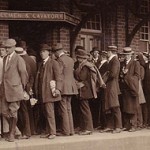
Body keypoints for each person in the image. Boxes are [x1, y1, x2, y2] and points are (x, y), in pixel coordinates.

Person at [1, 39, 28, 142]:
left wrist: (22, 88)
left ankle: (12, 133)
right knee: (4, 112)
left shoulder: (19, 59)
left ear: (13, 48)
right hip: (5, 90)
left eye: (8, 47)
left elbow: (23, 74)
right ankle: (16, 130)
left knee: (13, 112)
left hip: (15, 90)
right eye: (5, 47)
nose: (6, 49)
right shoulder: (5, 59)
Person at [74, 48, 105, 135]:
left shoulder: (84, 66)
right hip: (86, 90)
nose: (77, 59)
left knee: (85, 110)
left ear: (82, 58)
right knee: (84, 109)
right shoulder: (86, 65)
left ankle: (88, 128)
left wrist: (74, 72)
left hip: (85, 90)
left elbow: (81, 77)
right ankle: (85, 128)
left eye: (78, 58)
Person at [34, 44, 62, 139]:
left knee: (50, 112)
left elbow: (58, 77)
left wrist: (58, 89)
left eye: (44, 52)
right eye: (41, 52)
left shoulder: (53, 63)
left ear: (48, 53)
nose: (42, 53)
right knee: (45, 112)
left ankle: (53, 132)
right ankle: (48, 131)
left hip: (49, 91)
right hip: (42, 92)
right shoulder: (41, 64)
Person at [52, 43, 78, 136]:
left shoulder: (59, 60)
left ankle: (66, 131)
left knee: (63, 109)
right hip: (71, 87)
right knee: (68, 109)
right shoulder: (70, 59)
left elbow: (59, 74)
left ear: (57, 52)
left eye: (54, 52)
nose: (54, 54)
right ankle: (71, 130)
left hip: (63, 87)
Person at [15, 47, 37, 139]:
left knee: (23, 111)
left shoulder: (21, 62)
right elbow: (31, 76)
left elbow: (24, 77)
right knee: (27, 110)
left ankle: (26, 132)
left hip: (22, 89)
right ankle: (31, 130)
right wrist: (29, 87)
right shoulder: (29, 61)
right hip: (27, 88)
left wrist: (24, 89)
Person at [100, 46, 122, 133]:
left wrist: (104, 79)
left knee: (115, 106)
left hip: (112, 86)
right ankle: (110, 126)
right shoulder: (111, 61)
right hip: (109, 86)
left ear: (110, 52)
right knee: (108, 106)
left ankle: (118, 127)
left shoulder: (115, 60)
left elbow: (113, 74)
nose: (107, 53)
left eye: (107, 51)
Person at [119, 47, 140, 132]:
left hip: (131, 88)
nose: (126, 56)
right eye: (125, 55)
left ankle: (133, 125)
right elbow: (120, 75)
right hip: (124, 88)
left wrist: (126, 76)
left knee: (132, 107)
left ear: (131, 55)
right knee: (125, 107)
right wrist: (122, 74)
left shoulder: (135, 63)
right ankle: (127, 125)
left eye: (128, 55)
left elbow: (137, 76)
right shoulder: (122, 63)